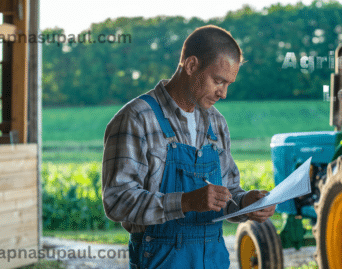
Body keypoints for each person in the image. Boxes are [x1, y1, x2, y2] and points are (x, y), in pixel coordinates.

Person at [101, 25, 275, 269]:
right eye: (218, 81)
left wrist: (246, 203)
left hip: (213, 259)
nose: (223, 93)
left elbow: (229, 193)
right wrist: (185, 202)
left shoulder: (217, 123)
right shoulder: (137, 119)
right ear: (191, 66)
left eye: (228, 84)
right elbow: (117, 201)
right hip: (161, 259)